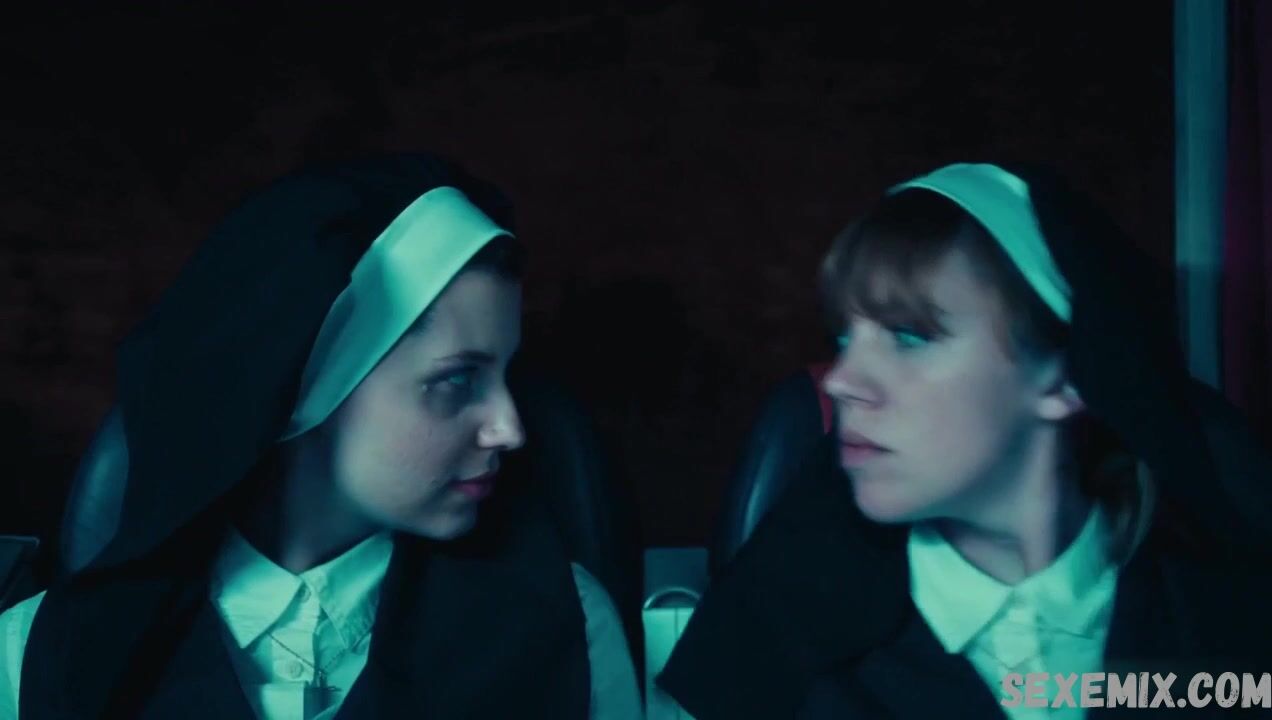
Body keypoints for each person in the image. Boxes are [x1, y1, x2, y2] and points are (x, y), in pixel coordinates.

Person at [0, 153, 642, 719]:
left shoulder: (569, 631)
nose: (510, 428)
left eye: (506, 374)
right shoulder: (30, 658)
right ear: (312, 388)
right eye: (455, 380)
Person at [657, 163, 1272, 718]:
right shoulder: (784, 665)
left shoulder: (1224, 638)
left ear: (1066, 377)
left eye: (910, 335)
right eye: (845, 337)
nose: (841, 380)